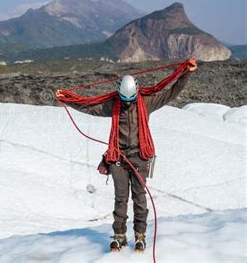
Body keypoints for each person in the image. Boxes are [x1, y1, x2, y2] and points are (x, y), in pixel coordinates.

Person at [56, 58, 197, 252]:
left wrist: (186, 72)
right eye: (124, 99)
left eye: (130, 100)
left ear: (137, 92)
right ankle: (119, 236)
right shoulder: (114, 104)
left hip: (140, 156)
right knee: (120, 198)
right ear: (120, 94)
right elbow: (90, 106)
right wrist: (67, 99)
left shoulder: (147, 102)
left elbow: (171, 92)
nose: (127, 103)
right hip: (118, 158)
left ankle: (140, 236)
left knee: (139, 197)